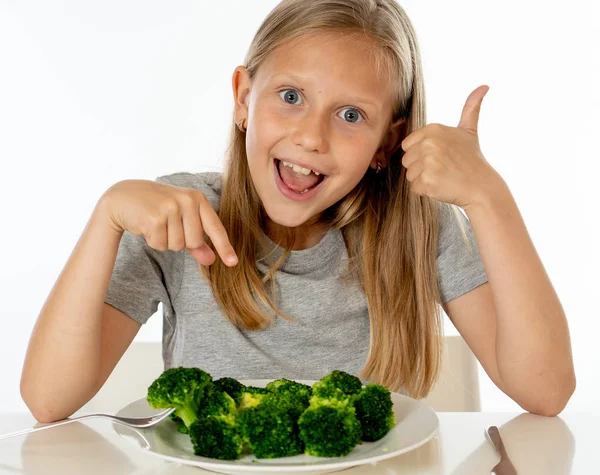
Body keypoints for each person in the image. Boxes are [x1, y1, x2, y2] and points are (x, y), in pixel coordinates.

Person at [20, 0, 575, 423]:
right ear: (243, 98)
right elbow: (48, 399)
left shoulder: (421, 229)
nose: (311, 136)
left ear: (388, 142)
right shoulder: (179, 218)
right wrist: (107, 217)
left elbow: (546, 391)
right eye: (290, 97)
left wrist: (489, 198)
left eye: (351, 115)